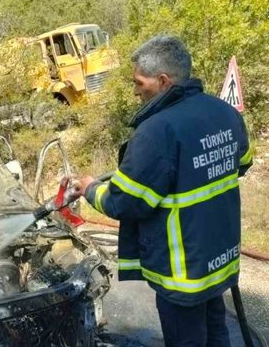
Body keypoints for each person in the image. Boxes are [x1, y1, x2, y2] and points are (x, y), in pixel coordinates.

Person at [72, 35, 252, 347]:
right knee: (217, 331)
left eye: (139, 83)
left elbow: (124, 203)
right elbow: (241, 165)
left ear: (163, 80)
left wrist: (91, 189)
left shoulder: (156, 131)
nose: (135, 91)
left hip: (182, 274)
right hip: (218, 259)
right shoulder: (225, 113)